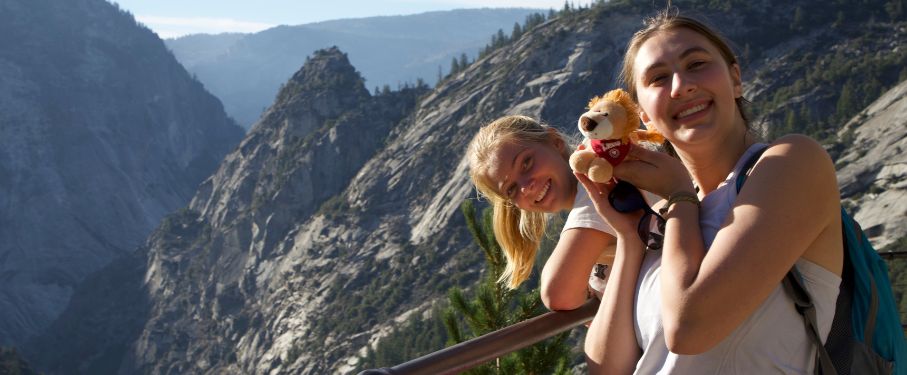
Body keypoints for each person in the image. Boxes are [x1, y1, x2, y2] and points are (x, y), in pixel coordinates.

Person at [580, 10, 844, 374]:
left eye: (697, 64)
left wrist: (679, 195)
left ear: (735, 80)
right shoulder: (664, 217)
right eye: (658, 78)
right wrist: (628, 237)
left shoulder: (792, 163)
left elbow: (689, 329)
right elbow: (607, 368)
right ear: (643, 118)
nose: (681, 86)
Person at [466, 115, 622, 311]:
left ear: (555, 142)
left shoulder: (600, 178)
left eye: (526, 163)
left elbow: (558, 294)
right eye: (511, 189)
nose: (526, 187)